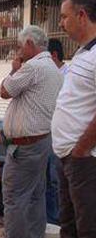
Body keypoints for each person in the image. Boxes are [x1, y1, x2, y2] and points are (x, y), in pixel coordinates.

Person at [0, 25, 63, 238]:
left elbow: (5, 91)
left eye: (19, 45)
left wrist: (14, 68)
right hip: (42, 141)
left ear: (29, 44)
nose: (17, 51)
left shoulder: (33, 66)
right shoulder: (54, 69)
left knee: (14, 199)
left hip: (25, 146)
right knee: (36, 197)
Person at [36, 0, 96, 238]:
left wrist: (83, 148)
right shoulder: (82, 55)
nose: (61, 23)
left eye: (64, 16)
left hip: (84, 160)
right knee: (70, 230)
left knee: (90, 232)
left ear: (82, 16)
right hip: (67, 157)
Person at [45, 38, 69, 225]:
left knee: (55, 180)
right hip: (45, 133)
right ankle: (47, 219)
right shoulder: (48, 74)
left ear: (53, 55)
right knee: (45, 181)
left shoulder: (67, 74)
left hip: (61, 135)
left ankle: (57, 220)